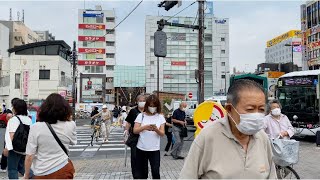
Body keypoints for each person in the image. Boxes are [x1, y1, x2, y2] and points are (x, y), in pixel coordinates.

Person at [179, 79, 276, 179]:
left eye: (261, 110)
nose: (256, 115)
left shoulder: (263, 138)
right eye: (250, 109)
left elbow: (271, 176)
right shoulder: (207, 137)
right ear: (229, 109)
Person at [24, 93, 76, 179]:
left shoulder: (36, 127)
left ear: (44, 109)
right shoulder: (71, 125)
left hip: (42, 172)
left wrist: (26, 175)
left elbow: (30, 155)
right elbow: (73, 142)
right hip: (63, 168)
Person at [133, 94, 165, 179]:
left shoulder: (160, 117)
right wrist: (144, 127)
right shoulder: (141, 115)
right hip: (141, 148)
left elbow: (162, 134)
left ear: (157, 106)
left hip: (154, 149)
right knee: (142, 174)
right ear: (147, 105)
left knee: (155, 172)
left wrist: (156, 129)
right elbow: (135, 130)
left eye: (154, 106)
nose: (152, 107)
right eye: (150, 105)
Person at [3, 99, 33, 179]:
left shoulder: (13, 120)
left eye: (13, 107)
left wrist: (7, 148)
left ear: (16, 108)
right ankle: (34, 177)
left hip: (14, 148)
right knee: (22, 166)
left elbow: (11, 135)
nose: (12, 108)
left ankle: (33, 177)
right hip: (24, 148)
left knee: (12, 169)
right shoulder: (29, 120)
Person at [125, 95, 145, 179]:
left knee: (143, 157)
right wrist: (126, 131)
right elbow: (128, 123)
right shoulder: (133, 111)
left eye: (144, 100)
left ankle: (143, 173)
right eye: (140, 100)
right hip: (135, 137)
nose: (142, 102)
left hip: (145, 137)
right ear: (137, 101)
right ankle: (136, 175)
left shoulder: (148, 111)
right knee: (134, 156)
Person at [0, 98, 19, 173]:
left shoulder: (10, 111)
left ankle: (4, 167)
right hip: (21, 134)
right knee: (18, 150)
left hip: (10, 133)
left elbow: (5, 117)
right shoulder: (24, 111)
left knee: (6, 149)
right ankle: (17, 167)